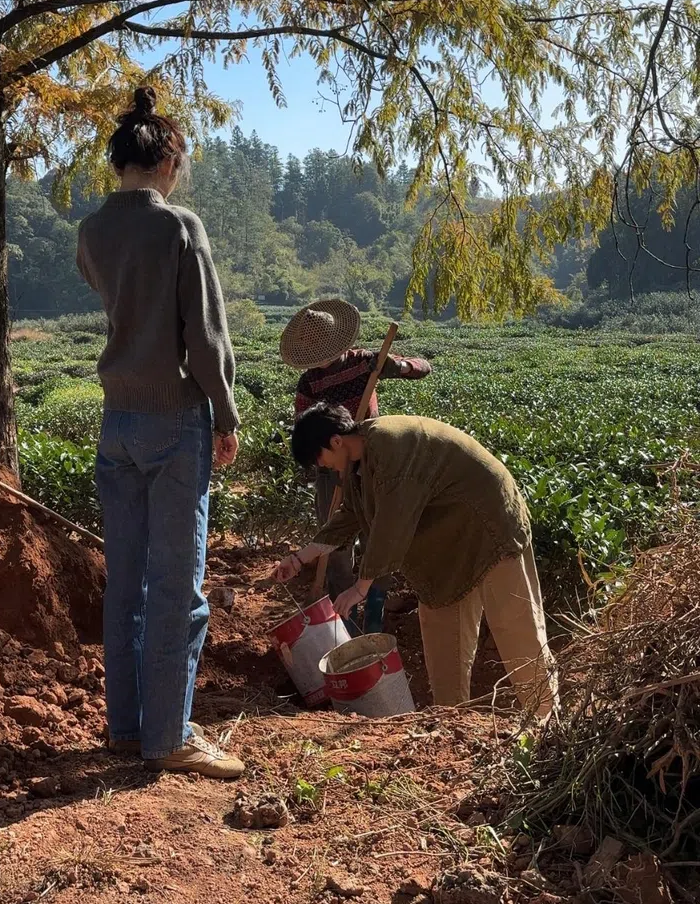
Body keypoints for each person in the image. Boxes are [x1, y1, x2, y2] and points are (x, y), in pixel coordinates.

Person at [76, 85, 244, 779]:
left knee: (128, 583)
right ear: (169, 159)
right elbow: (203, 340)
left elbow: (110, 290)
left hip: (117, 420)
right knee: (178, 584)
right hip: (176, 422)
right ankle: (169, 738)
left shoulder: (92, 232)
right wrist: (226, 414)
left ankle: (127, 727)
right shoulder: (180, 227)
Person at [273, 404, 558, 717]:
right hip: (447, 552)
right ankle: (451, 724)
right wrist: (299, 560)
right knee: (442, 641)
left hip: (486, 530)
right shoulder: (358, 466)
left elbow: (391, 524)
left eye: (320, 461)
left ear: (335, 442)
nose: (324, 468)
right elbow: (348, 518)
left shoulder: (388, 444)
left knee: (517, 631)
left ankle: (548, 721)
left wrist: (361, 587)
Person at [279, 300, 432, 633]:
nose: (321, 361)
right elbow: (304, 426)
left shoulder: (365, 363)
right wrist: (324, 467)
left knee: (376, 536)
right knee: (335, 542)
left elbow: (423, 368)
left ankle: (374, 607)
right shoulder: (309, 383)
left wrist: (398, 366)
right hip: (329, 469)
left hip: (368, 463)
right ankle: (343, 622)